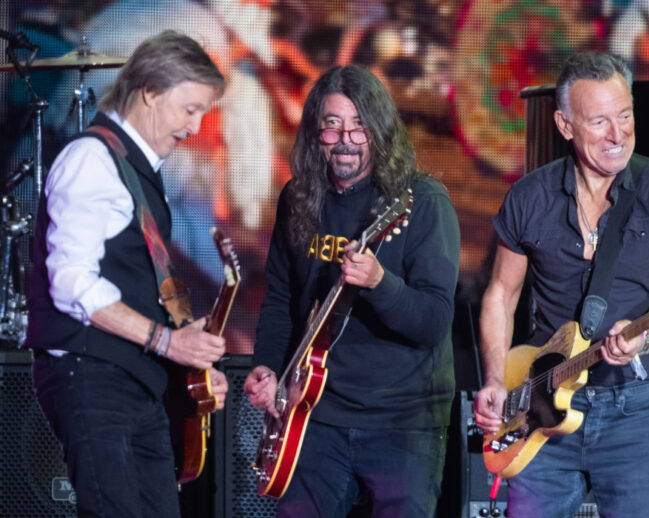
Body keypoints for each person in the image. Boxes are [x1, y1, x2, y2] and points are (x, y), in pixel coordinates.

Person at [473, 51, 649, 517]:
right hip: (539, 402)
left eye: (625, 116)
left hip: (635, 406)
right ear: (564, 125)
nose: (618, 135)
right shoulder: (529, 196)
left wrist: (644, 335)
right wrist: (495, 380)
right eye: (599, 122)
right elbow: (500, 295)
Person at [25, 31, 229, 518]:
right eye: (190, 108)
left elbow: (145, 278)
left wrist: (189, 353)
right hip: (92, 377)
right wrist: (166, 342)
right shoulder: (91, 160)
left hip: (136, 383)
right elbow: (72, 283)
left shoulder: (134, 169)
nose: (197, 126)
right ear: (151, 92)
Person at [244, 64, 460, 518]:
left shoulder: (421, 202)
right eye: (333, 125)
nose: (346, 138)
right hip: (315, 414)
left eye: (360, 126)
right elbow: (282, 297)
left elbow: (434, 322)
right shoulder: (298, 198)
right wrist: (266, 366)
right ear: (315, 133)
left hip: (403, 420)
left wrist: (380, 284)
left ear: (379, 132)